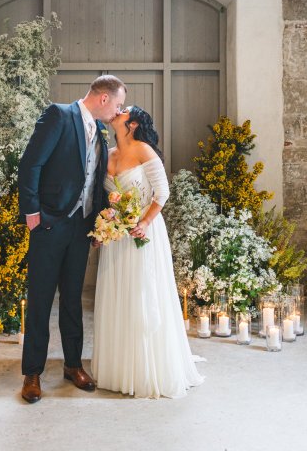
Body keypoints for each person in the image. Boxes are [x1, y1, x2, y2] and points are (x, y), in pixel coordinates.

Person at [18, 75, 126, 403]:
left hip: (81, 228)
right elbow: (30, 164)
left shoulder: (102, 131)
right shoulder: (59, 115)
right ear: (104, 98)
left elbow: (93, 183)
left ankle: (73, 365)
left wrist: (98, 224)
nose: (118, 112)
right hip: (49, 223)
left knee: (72, 301)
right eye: (118, 104)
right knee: (40, 300)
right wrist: (32, 214)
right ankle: (32, 373)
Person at [91, 106, 204, 399]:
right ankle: (118, 367)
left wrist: (142, 222)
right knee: (119, 295)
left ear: (132, 124)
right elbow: (104, 196)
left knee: (143, 294)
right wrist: (104, 228)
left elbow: (162, 193)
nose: (117, 111)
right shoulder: (110, 153)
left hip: (144, 232)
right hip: (117, 236)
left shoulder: (144, 150)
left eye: (123, 110)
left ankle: (146, 367)